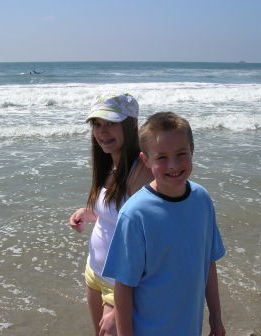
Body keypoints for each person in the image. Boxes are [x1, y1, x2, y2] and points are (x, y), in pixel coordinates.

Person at [102, 112, 226, 336]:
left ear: (192, 150)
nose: (173, 165)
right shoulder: (135, 214)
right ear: (146, 160)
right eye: (161, 157)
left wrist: (216, 317)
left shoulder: (202, 200)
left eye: (181, 154)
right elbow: (123, 287)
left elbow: (209, 263)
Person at [69, 93, 153, 336]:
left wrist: (121, 306)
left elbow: (153, 244)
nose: (102, 132)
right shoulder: (109, 164)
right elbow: (117, 213)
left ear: (133, 123)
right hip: (94, 272)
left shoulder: (142, 172)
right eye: (97, 124)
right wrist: (88, 213)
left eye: (111, 123)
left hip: (120, 283)